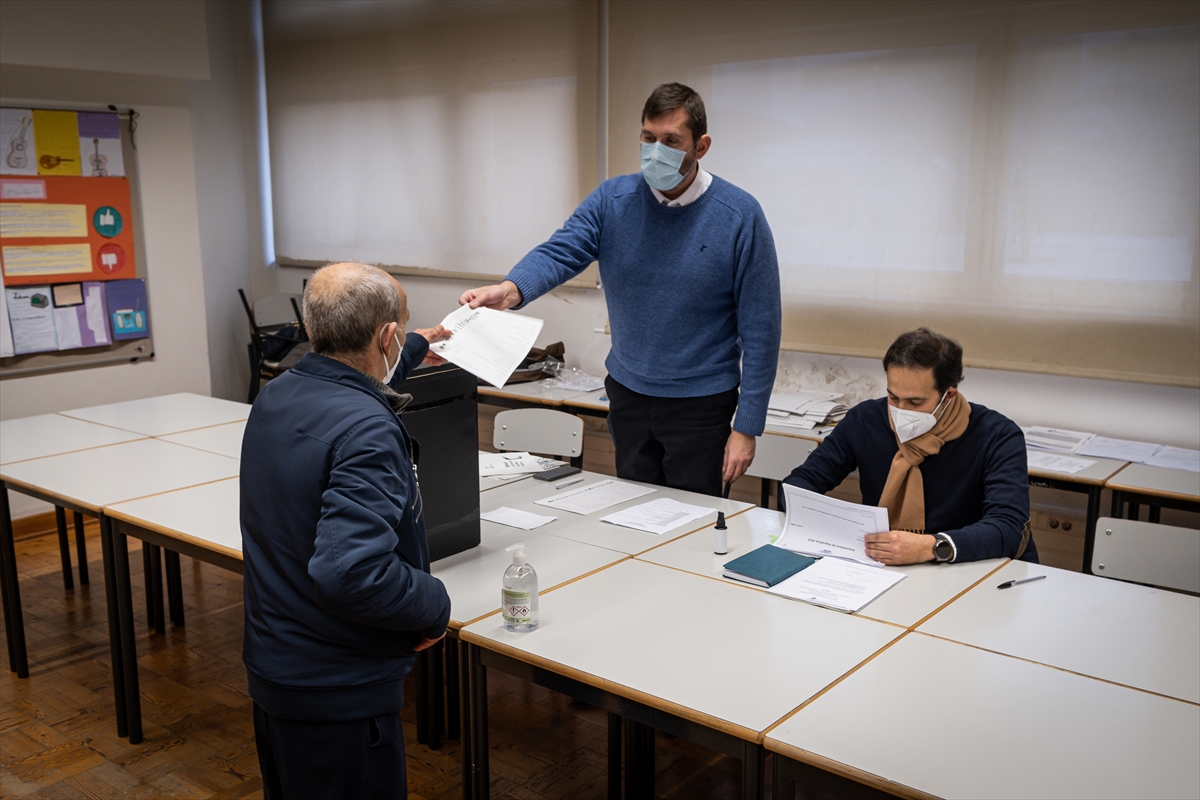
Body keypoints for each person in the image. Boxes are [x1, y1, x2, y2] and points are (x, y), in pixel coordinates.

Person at [461, 82, 781, 497]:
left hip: (701, 405)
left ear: (700, 147)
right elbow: (561, 251)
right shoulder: (613, 200)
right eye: (648, 138)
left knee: (696, 519)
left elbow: (762, 329)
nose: (656, 151)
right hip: (629, 395)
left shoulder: (739, 215)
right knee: (633, 511)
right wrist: (509, 291)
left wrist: (747, 427)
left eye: (671, 141)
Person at [240, 262, 453, 799]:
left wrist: (417, 345)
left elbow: (354, 380)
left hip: (279, 669)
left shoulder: (278, 393)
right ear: (385, 336)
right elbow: (353, 573)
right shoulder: (368, 430)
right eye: (403, 329)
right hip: (339, 691)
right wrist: (433, 604)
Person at [784, 328, 1036, 565]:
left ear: (948, 395)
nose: (901, 411)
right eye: (893, 397)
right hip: (882, 565)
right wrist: (833, 524)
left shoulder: (997, 435)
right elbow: (801, 482)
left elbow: (1008, 527)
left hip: (967, 568)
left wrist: (931, 547)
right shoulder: (865, 420)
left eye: (915, 402)